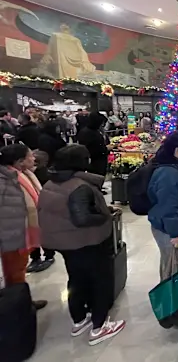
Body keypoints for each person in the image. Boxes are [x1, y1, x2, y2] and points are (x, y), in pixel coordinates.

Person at [37, 144, 125, 344]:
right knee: (100, 281)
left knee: (76, 280)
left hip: (65, 243)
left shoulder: (51, 183)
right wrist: (104, 215)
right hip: (86, 241)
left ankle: (79, 319)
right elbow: (82, 218)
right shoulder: (78, 186)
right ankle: (99, 326)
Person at [147, 131, 178, 326]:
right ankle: (171, 312)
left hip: (166, 226)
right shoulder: (169, 172)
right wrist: (175, 233)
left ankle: (175, 307)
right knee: (172, 268)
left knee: (171, 265)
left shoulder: (171, 165)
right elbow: (169, 205)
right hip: (167, 228)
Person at [0, 144, 47, 310]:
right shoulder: (6, 180)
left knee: (19, 268)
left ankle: (22, 300)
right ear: (20, 161)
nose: (33, 158)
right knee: (14, 270)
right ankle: (19, 306)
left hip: (22, 230)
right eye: (30, 156)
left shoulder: (22, 174)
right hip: (12, 234)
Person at [77, 112, 109, 178]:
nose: (102, 126)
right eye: (102, 124)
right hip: (95, 163)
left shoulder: (85, 131)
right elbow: (97, 149)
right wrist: (107, 148)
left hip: (93, 162)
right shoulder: (93, 134)